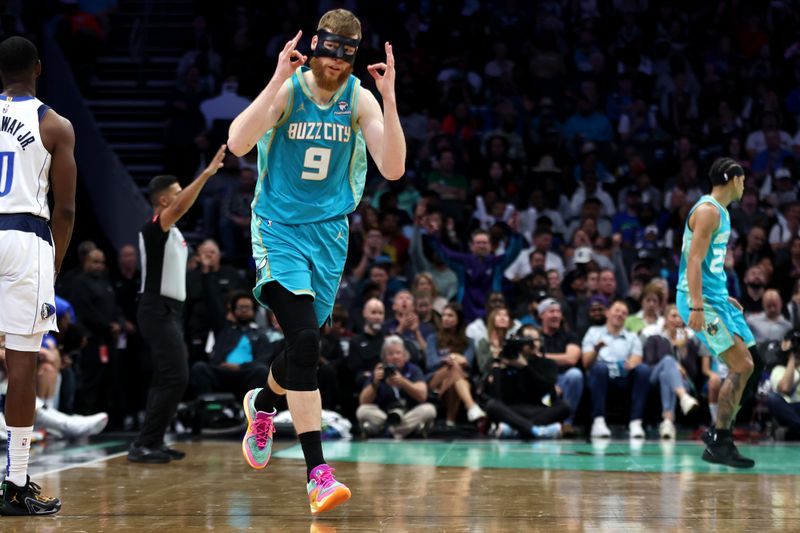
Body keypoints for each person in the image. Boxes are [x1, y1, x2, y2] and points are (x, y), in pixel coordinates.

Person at [227, 8, 405, 514]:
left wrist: (390, 99)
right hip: (278, 229)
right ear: (317, 47)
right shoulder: (290, 90)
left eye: (346, 54)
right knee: (304, 340)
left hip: (329, 235)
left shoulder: (359, 99)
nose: (335, 62)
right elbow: (237, 142)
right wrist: (277, 77)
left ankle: (262, 404)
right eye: (329, 50)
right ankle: (318, 475)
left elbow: (393, 168)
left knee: (306, 350)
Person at [0, 36, 76, 516]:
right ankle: (15, 483)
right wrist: (56, 262)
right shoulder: (54, 124)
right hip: (26, 238)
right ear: (39, 69)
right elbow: (65, 209)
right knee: (22, 366)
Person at [127, 145, 227, 464]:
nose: (183, 195)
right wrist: (207, 173)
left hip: (171, 311)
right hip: (156, 308)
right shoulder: (154, 227)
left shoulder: (173, 233)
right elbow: (183, 206)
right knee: (176, 376)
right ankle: (144, 443)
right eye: (178, 192)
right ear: (165, 200)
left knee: (166, 377)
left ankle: (153, 441)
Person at [676, 157, 757, 467]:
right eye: (742, 178)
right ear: (732, 179)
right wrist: (697, 305)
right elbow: (693, 261)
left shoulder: (720, 212)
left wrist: (724, 295)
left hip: (717, 297)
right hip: (700, 300)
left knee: (755, 363)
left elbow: (709, 265)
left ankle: (719, 434)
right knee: (741, 366)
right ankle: (719, 438)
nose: (745, 184)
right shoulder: (708, 211)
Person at [583, 300, 651, 439]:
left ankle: (636, 423)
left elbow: (637, 358)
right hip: (602, 376)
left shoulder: (632, 337)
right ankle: (598, 422)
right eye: (617, 310)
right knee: (599, 368)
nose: (620, 314)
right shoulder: (593, 332)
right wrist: (596, 349)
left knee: (643, 370)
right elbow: (586, 362)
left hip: (623, 377)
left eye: (624, 313)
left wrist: (631, 364)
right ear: (607, 313)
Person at [356, 336, 436, 439]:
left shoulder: (413, 369)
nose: (395, 357)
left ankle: (388, 431)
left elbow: (422, 396)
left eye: (398, 353)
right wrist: (375, 382)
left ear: (404, 355)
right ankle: (403, 431)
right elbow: (363, 401)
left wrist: (403, 382)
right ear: (384, 357)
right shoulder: (379, 371)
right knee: (362, 411)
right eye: (390, 354)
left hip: (408, 414)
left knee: (429, 410)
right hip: (384, 415)